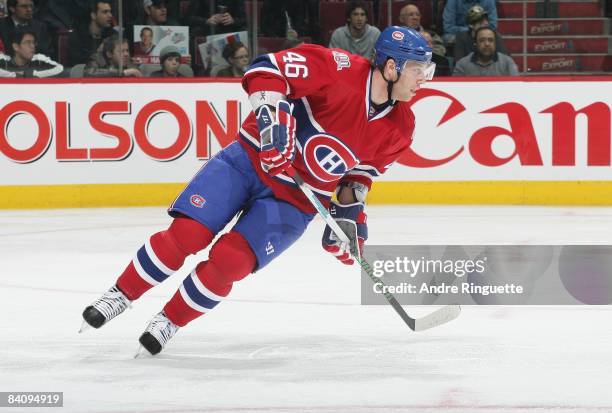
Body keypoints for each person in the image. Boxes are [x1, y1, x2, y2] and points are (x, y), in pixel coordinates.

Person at [80, 26, 435, 356]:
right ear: (391, 66)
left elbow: (357, 178)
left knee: (230, 262)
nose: (424, 78)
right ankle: (120, 294)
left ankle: (169, 320)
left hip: (295, 201)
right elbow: (265, 70)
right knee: (187, 235)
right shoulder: (336, 67)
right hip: (249, 161)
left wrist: (347, 219)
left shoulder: (402, 127)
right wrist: (273, 123)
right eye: (418, 69)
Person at [453, 26, 518, 76]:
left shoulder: (507, 63)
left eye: (490, 40)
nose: (487, 44)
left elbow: (516, 88)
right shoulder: (462, 64)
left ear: (495, 44)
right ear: (475, 43)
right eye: (482, 40)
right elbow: (455, 90)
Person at [66, 0, 114, 66]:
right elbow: (76, 61)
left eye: (110, 12)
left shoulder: (112, 35)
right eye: (105, 12)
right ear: (93, 15)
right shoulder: (77, 36)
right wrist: (97, 53)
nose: (110, 15)